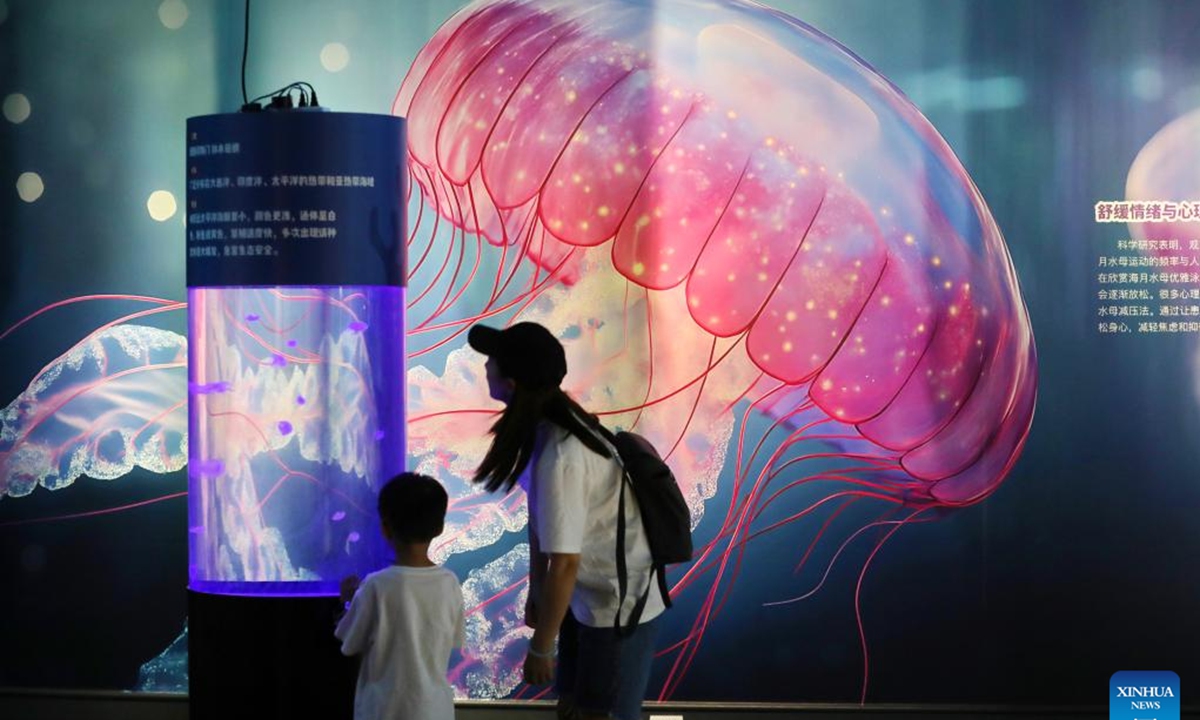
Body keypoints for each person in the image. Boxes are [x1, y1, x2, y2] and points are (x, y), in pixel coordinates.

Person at [469, 321, 665, 720]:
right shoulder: (548, 432)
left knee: (604, 714)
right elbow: (544, 522)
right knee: (576, 710)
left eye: (493, 360)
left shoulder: (560, 453)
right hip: (585, 598)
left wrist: (542, 647)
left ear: (513, 381)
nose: (485, 365)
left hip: (615, 605)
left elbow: (567, 562)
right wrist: (538, 589)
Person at [336, 472, 465, 720]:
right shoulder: (450, 583)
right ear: (439, 527)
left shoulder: (375, 586)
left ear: (385, 527)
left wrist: (349, 601)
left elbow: (349, 643)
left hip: (383, 710)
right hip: (435, 710)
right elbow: (454, 640)